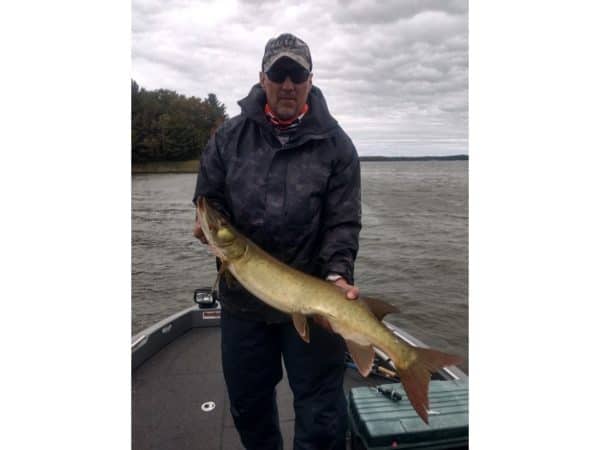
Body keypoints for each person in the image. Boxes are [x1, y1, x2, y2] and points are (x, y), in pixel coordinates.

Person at [193, 33, 361, 450]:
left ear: (310, 80)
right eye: (279, 73)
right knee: (249, 407)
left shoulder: (337, 147)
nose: (288, 84)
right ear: (262, 78)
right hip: (243, 301)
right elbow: (208, 199)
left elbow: (342, 222)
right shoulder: (227, 138)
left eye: (297, 74)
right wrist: (205, 223)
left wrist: (337, 274)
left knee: (321, 415)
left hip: (313, 299)